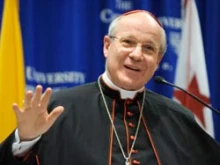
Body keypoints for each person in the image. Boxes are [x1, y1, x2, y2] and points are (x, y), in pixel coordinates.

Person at [0, 10, 220, 165]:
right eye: (128, 42)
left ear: (158, 61)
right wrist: (25, 141)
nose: (136, 54)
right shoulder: (60, 108)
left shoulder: (179, 118)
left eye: (149, 48)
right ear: (107, 46)